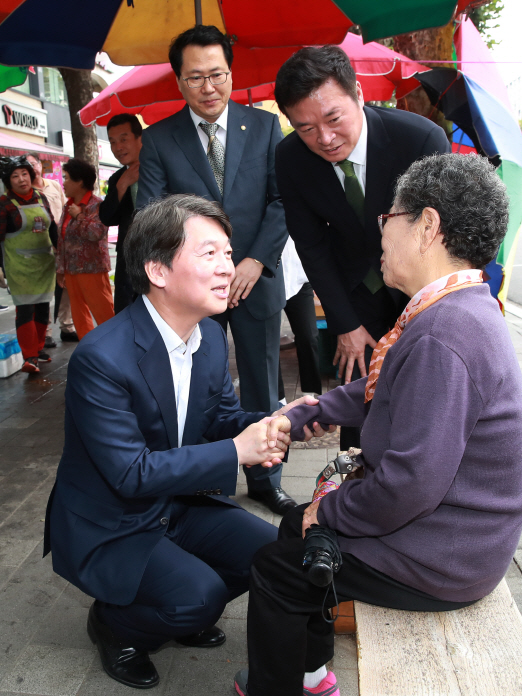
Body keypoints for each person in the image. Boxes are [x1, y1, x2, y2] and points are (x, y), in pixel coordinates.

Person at [234, 153, 522, 696]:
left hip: (449, 550)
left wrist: (326, 508)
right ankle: (310, 673)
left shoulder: (445, 334)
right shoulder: (459, 305)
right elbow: (394, 392)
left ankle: (276, 686)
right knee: (295, 534)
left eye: (388, 218)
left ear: (426, 226)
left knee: (278, 565)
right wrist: (319, 410)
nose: (381, 231)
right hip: (462, 532)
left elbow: (408, 485)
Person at [43, 194, 321, 689]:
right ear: (158, 270)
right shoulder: (101, 359)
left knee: (273, 554)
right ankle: (115, 626)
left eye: (228, 253)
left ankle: (178, 612)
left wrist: (283, 420)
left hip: (174, 501)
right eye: (208, 254)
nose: (227, 268)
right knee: (199, 597)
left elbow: (223, 419)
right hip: (114, 516)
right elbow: (130, 474)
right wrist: (238, 451)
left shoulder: (210, 336)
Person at [136, 24, 294, 516]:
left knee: (262, 383)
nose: (210, 88)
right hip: (192, 290)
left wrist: (252, 260)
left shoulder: (265, 127)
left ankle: (267, 479)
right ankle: (206, 477)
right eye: (196, 78)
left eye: (218, 75)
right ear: (179, 81)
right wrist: (202, 266)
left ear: (231, 72)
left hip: (256, 282)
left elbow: (282, 199)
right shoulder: (160, 140)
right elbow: (150, 214)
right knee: (196, 385)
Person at [274, 45, 451, 450]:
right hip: (354, 296)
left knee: (426, 402)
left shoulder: (419, 139)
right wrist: (345, 324)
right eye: (305, 128)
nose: (325, 138)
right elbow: (311, 244)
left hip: (421, 292)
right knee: (358, 405)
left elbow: (444, 235)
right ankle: (354, 488)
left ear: (358, 93)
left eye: (333, 118)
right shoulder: (290, 158)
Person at [0, 155, 56, 373]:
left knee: (43, 308)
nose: (22, 179)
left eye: (24, 174)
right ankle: (29, 356)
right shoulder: (4, 203)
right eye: (15, 176)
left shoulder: (41, 197)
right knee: (25, 310)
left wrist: (60, 250)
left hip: (44, 263)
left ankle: (39, 349)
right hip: (19, 266)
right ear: (8, 180)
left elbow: (52, 228)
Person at [57, 158, 114, 340]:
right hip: (71, 270)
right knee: (79, 314)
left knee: (104, 313)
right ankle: (87, 349)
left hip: (92, 269)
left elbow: (96, 233)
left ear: (79, 181)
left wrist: (80, 216)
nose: (63, 183)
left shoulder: (96, 205)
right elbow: (62, 239)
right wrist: (60, 269)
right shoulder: (68, 206)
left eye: (66, 178)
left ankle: (114, 347)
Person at [26, 152, 78, 346]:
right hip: (41, 246)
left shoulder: (54, 186)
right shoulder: (27, 192)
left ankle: (67, 327)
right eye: (27, 165)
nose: (31, 168)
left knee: (66, 287)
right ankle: (45, 330)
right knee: (46, 288)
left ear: (40, 165)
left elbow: (65, 208)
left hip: (62, 242)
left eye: (33, 163)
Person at [99, 114, 142, 313]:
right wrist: (123, 184)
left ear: (139, 138)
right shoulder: (117, 177)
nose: (118, 147)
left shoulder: (160, 168)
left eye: (124, 139)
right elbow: (107, 217)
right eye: (113, 142)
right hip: (128, 264)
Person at [278, 237, 321, 401]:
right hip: (269, 280)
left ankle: (311, 392)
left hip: (300, 278)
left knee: (309, 336)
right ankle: (278, 399)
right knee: (269, 345)